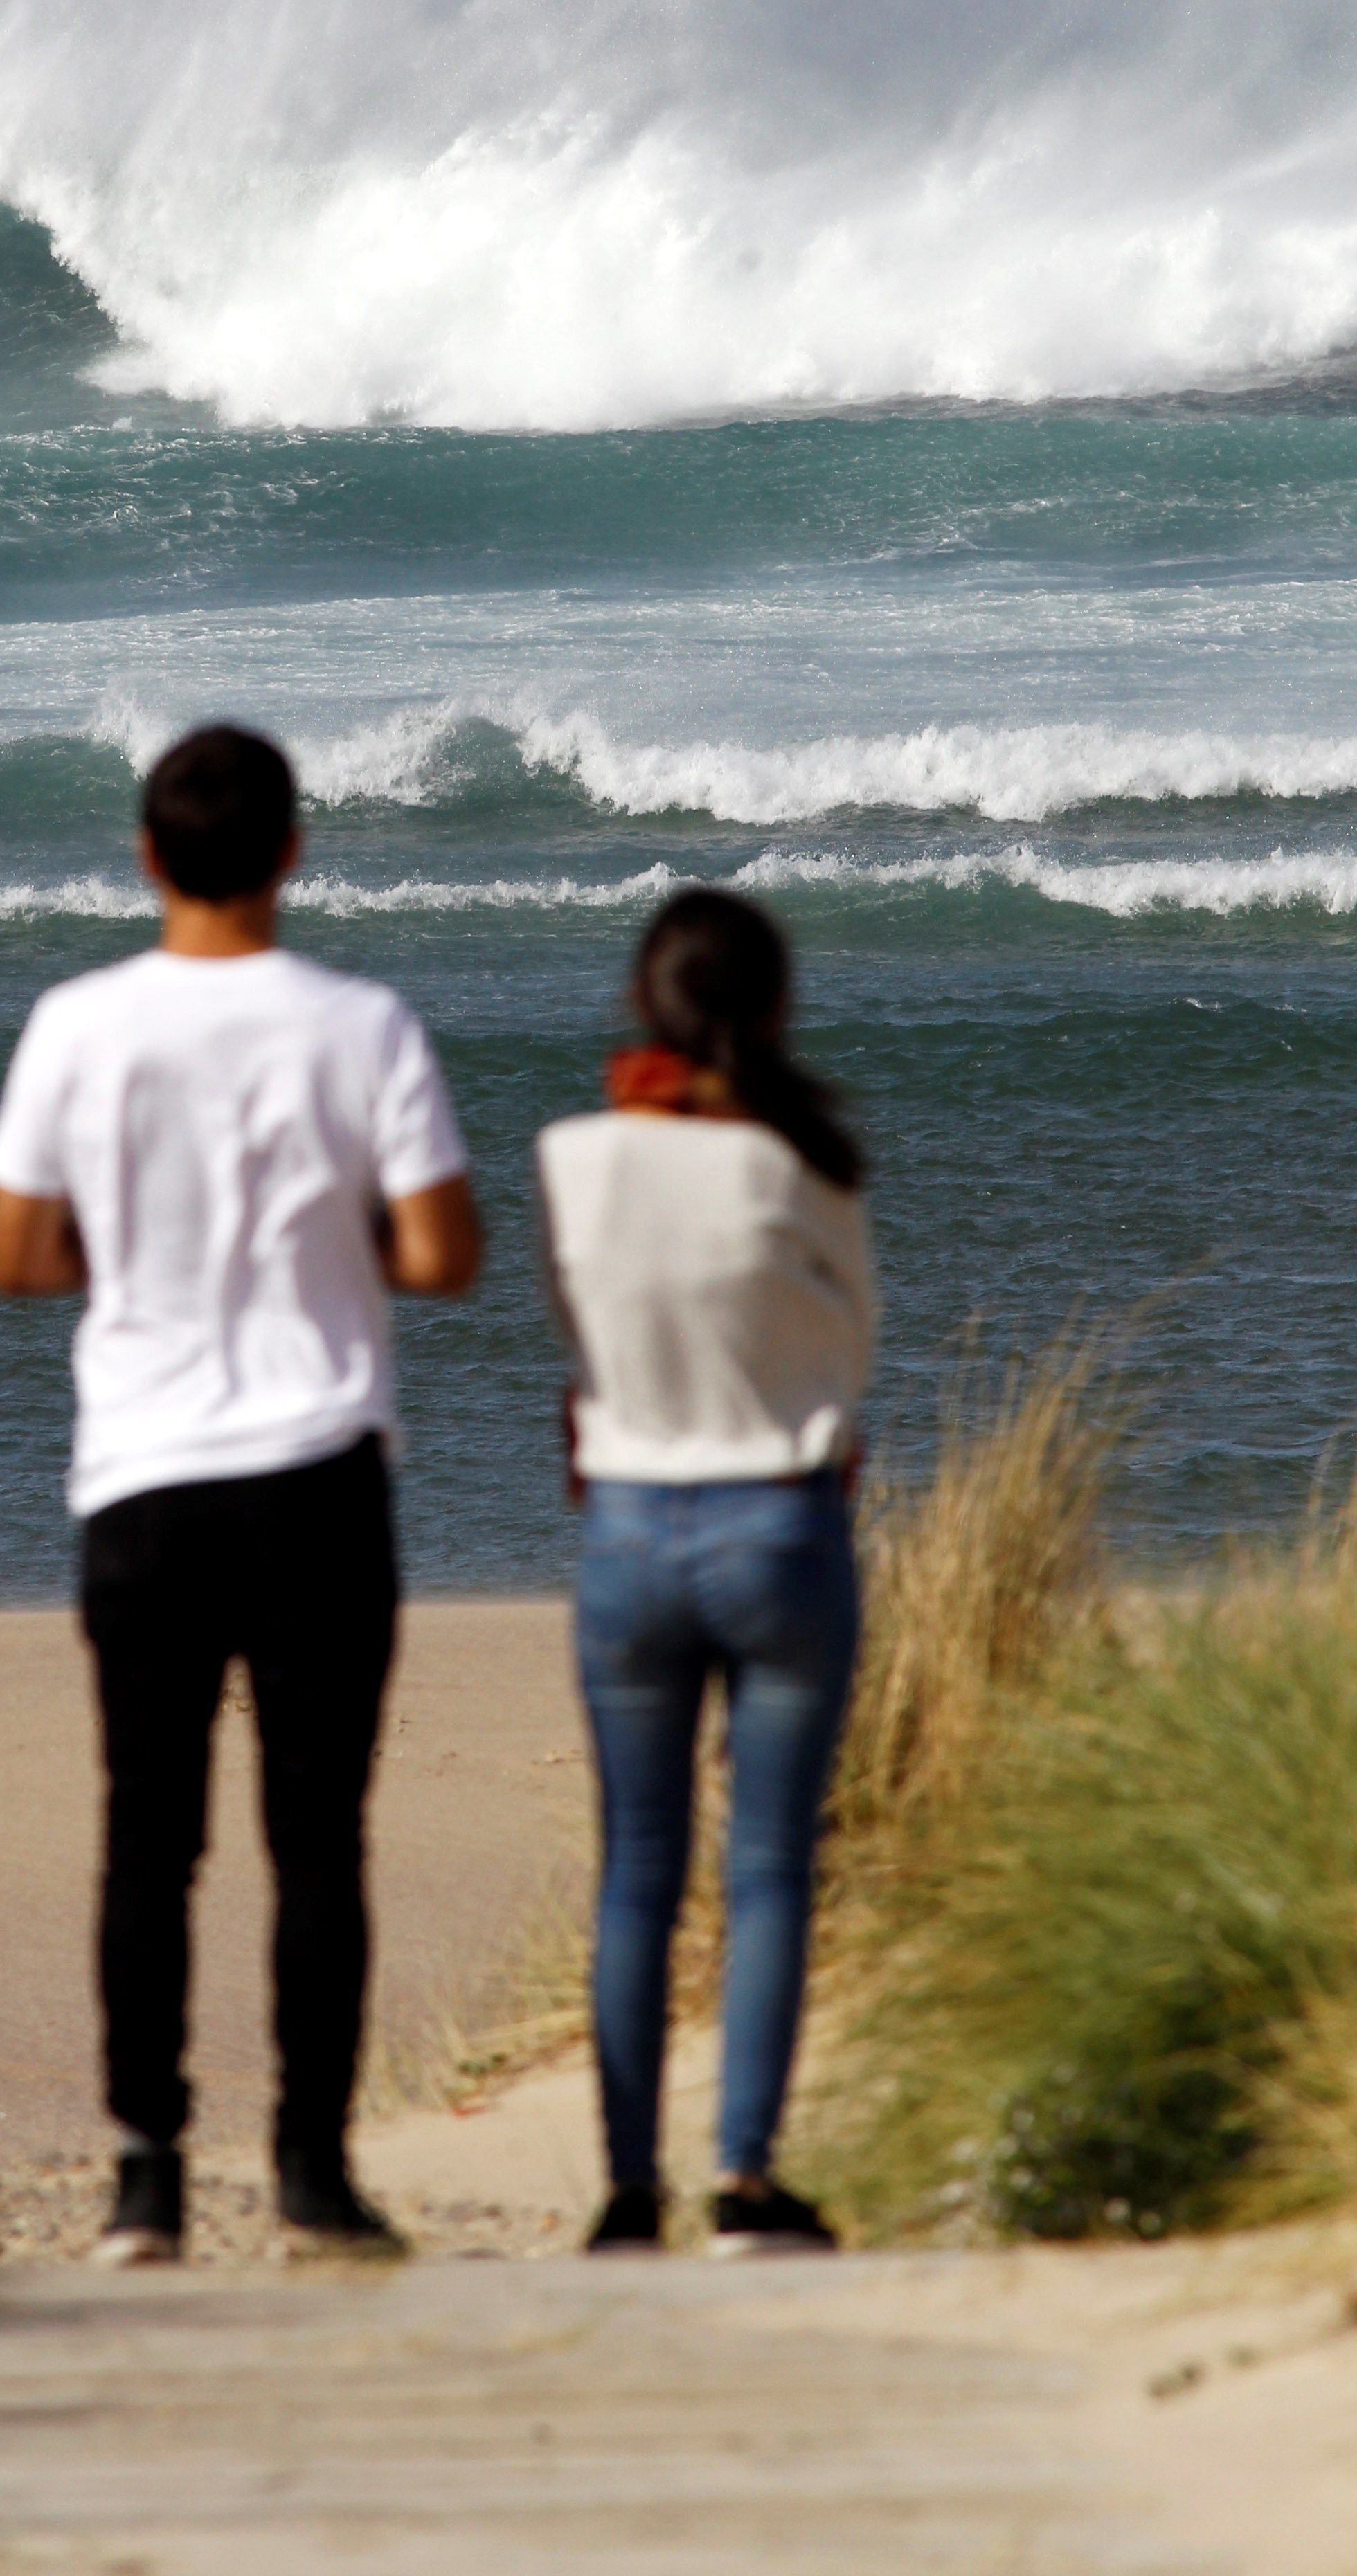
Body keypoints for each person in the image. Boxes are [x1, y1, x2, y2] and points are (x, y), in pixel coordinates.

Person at [0, 723, 481, 2265]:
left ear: (145, 857)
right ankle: (315, 2172)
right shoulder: (363, 1024)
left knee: (151, 1835)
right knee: (319, 1835)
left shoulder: (78, 1022)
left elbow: (14, 1257)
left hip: (144, 1475)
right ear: (292, 851)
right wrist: (345, 1255)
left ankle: (146, 2176)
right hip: (319, 1469)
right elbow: (445, 1255)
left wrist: (122, 1265)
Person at [535, 885, 873, 2256]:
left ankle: (627, 2191)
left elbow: (577, 1344)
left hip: (626, 1522)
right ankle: (744, 2178)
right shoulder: (807, 1166)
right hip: (778, 1520)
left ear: (641, 1004)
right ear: (777, 1010)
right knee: (772, 1865)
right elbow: (851, 1357)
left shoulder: (571, 1155)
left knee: (636, 1871)